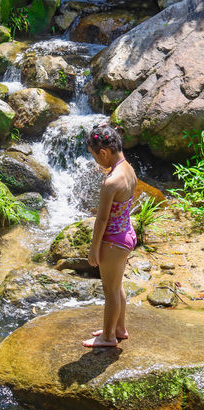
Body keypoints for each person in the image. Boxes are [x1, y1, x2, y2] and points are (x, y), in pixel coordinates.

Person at [82, 123, 137, 349]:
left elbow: (102, 219)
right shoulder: (129, 170)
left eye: (95, 156)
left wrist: (94, 248)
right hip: (126, 234)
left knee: (110, 290)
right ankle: (119, 328)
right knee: (117, 286)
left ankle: (107, 337)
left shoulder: (110, 182)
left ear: (104, 152)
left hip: (113, 241)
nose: (96, 161)